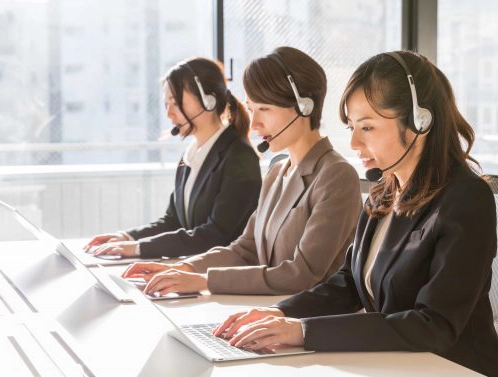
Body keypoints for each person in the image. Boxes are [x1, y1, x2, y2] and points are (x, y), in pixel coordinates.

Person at [213, 51, 498, 376]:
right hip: (397, 365)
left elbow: (434, 324)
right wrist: (280, 314)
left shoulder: (466, 198)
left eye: (368, 127)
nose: (354, 142)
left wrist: (304, 333)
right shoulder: (383, 192)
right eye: (351, 126)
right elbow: (348, 282)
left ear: (421, 122)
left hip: (453, 368)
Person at [122, 46, 362, 296]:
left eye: (265, 109)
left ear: (304, 107)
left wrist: (205, 282)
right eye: (252, 108)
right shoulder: (277, 171)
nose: (255, 123)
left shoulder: (336, 176)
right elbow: (245, 250)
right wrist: (183, 268)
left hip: (304, 321)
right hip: (263, 310)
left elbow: (301, 274)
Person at [84, 57, 262, 259]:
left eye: (176, 103)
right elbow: (173, 220)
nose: (169, 113)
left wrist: (139, 248)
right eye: (166, 104)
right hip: (193, 269)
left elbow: (215, 235)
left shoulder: (239, 156)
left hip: (224, 276)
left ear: (208, 101)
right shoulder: (191, 155)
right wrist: (128, 237)